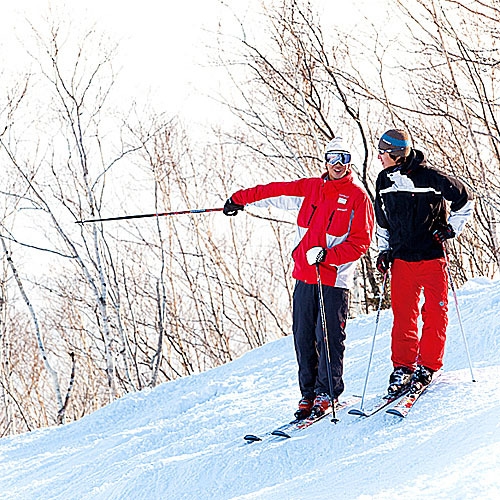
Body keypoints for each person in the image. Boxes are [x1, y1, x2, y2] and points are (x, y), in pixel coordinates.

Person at [223, 138, 374, 419]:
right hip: (305, 276)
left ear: (349, 162)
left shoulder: (357, 197)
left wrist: (328, 256)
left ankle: (327, 392)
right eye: (333, 158)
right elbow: (273, 192)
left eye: (343, 158)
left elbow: (361, 242)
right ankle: (308, 394)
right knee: (303, 336)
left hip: (334, 280)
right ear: (326, 160)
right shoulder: (310, 189)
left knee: (328, 337)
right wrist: (239, 199)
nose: (338, 164)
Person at [374, 129, 474, 395]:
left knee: (435, 314)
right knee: (404, 316)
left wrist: (451, 229)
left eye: (383, 153)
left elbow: (465, 201)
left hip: (431, 256)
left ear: (396, 154)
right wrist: (384, 251)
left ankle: (427, 366)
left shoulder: (431, 177)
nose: (379, 157)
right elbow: (382, 221)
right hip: (402, 260)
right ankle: (403, 368)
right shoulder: (383, 180)